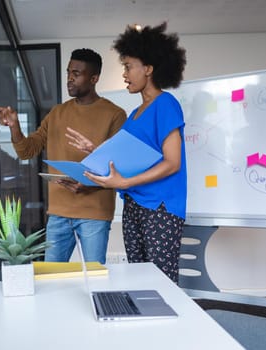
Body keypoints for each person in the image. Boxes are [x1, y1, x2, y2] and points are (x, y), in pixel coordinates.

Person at [66, 23, 187, 283]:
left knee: (161, 283)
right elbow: (129, 157)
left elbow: (173, 162)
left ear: (149, 69)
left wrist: (125, 182)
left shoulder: (165, 104)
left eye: (129, 67)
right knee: (139, 279)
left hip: (160, 207)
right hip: (134, 205)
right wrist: (95, 150)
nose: (124, 74)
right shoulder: (134, 114)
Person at [0, 48, 126, 264]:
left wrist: (90, 186)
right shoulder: (56, 113)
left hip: (94, 214)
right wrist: (15, 127)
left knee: (94, 278)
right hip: (58, 213)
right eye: (68, 72)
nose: (70, 79)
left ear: (94, 78)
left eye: (77, 73)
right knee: (51, 279)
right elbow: (27, 150)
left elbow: (119, 168)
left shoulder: (115, 115)